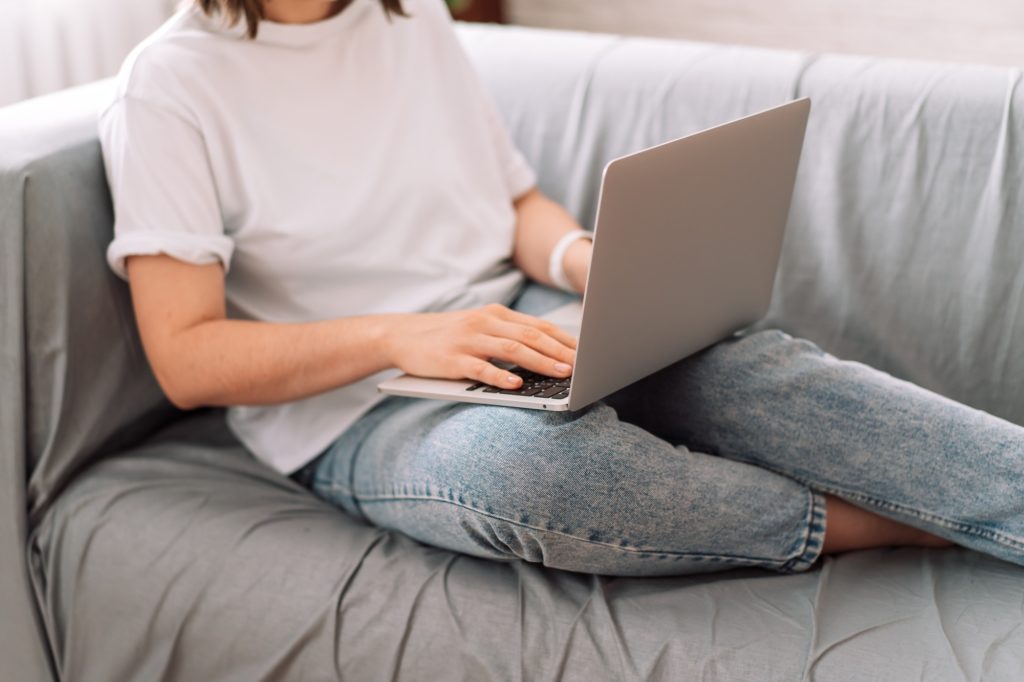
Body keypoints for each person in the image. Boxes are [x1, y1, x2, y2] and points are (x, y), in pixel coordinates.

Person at [99, 0, 1024, 577]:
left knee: (753, 367)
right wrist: (400, 338)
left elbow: (510, 203)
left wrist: (589, 261)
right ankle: (882, 524)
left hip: (513, 318)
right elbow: (187, 357)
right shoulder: (168, 88)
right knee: (530, 473)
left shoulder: (408, 16)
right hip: (353, 412)